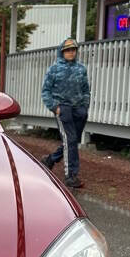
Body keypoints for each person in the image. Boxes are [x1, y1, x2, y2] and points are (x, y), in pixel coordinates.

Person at [40, 38, 90, 189]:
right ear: (62, 52)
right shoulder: (54, 69)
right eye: (68, 50)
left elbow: (86, 89)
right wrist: (55, 108)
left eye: (73, 50)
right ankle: (71, 176)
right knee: (70, 139)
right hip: (63, 109)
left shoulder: (81, 69)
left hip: (79, 110)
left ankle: (50, 160)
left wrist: (85, 106)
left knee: (72, 141)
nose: (71, 52)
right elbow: (45, 92)